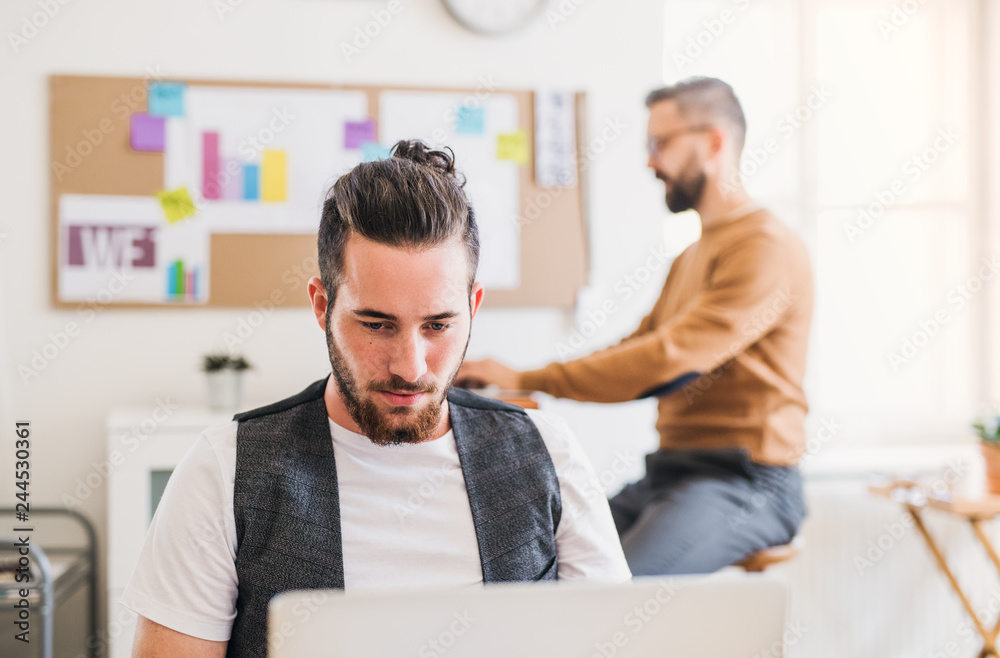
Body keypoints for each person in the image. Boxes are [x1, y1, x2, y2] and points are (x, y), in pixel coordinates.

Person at [121, 140, 630, 658]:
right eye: (377, 324)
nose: (410, 366)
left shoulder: (546, 452)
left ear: (473, 309)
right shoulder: (224, 469)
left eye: (438, 325)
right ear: (322, 306)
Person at [459, 77, 813, 576]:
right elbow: (641, 347)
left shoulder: (764, 247)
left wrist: (529, 378)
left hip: (747, 483)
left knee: (614, 590)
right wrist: (524, 377)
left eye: (661, 143)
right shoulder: (692, 254)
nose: (651, 161)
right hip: (671, 474)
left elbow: (667, 361)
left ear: (713, 142)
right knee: (539, 564)